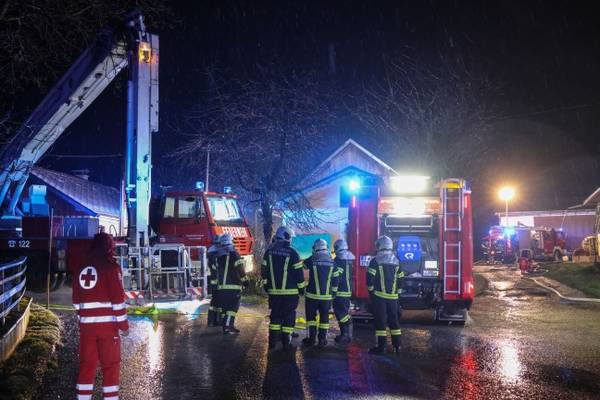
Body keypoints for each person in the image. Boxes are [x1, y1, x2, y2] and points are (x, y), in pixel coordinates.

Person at [73, 232, 128, 400]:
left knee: (87, 367)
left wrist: (84, 320)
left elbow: (76, 302)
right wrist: (123, 326)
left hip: (87, 329)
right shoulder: (111, 267)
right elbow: (118, 300)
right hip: (108, 329)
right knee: (110, 367)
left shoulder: (80, 267)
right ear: (109, 247)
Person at [261, 226, 305, 350]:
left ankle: (272, 341)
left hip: (274, 292)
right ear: (287, 237)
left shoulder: (269, 252)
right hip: (290, 293)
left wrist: (266, 285)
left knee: (275, 315)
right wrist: (301, 289)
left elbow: (264, 271)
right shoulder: (293, 253)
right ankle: (286, 341)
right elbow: (299, 274)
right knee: (289, 316)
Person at [366, 235, 404, 355]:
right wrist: (398, 295)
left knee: (381, 322)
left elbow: (369, 280)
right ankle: (397, 347)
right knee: (394, 322)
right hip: (393, 298)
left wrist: (371, 293)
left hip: (379, 297)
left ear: (380, 246)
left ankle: (381, 348)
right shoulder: (396, 261)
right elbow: (401, 280)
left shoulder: (375, 261)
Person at [302, 238, 339, 348]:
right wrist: (334, 293)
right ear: (326, 247)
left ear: (315, 247)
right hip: (326, 297)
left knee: (311, 318)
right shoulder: (332, 262)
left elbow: (303, 266)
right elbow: (336, 279)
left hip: (312, 296)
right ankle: (322, 340)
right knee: (324, 318)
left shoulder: (312, 259)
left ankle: (312, 339)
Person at [214, 233, 249, 334]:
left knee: (225, 309)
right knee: (232, 308)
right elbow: (240, 269)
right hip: (233, 286)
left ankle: (229, 325)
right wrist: (246, 282)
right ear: (231, 241)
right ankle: (227, 327)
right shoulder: (234, 254)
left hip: (221, 287)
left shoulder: (218, 255)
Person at [332, 239, 355, 344]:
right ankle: (345, 334)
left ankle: (345, 335)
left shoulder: (339, 260)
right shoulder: (348, 259)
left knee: (341, 313)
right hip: (346, 290)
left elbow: (337, 276)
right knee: (342, 312)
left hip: (340, 291)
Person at [207, 234, 222, 327]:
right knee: (219, 302)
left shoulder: (211, 251)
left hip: (213, 281)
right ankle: (218, 321)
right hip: (219, 282)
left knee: (214, 302)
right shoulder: (218, 253)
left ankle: (211, 321)